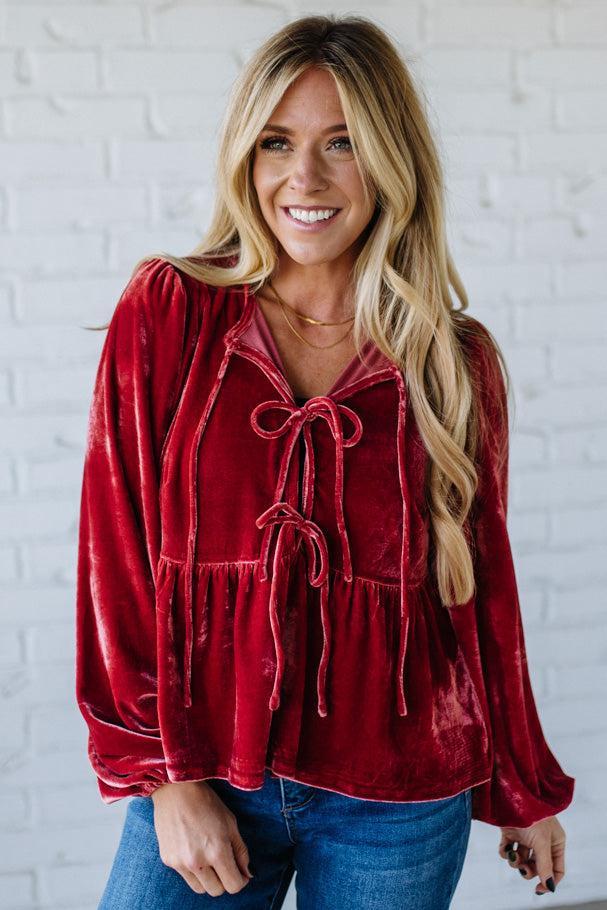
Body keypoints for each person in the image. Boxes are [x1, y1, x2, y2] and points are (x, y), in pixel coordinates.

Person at [75, 14, 575, 909]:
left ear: (390, 159)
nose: (302, 178)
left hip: (401, 798)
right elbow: (113, 565)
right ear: (246, 157)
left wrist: (523, 790)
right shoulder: (170, 315)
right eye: (277, 142)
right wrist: (164, 781)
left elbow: (480, 589)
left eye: (342, 143)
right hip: (207, 772)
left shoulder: (450, 359)